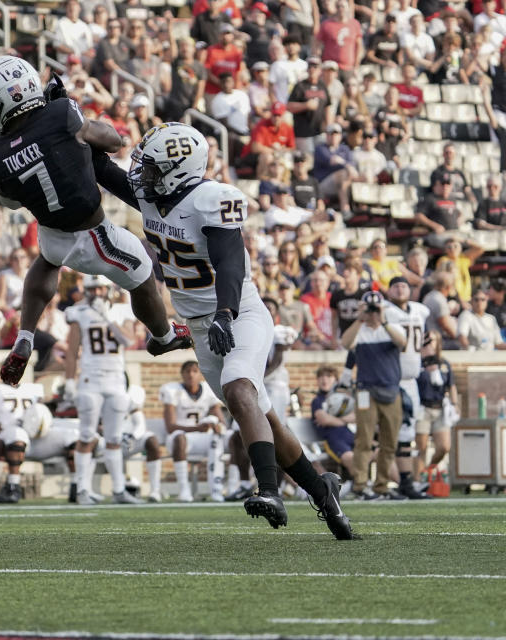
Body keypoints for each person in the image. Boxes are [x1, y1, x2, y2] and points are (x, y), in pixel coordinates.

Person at [94, 122, 354, 539]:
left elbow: (231, 261)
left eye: (154, 168)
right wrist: (60, 123)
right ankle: (323, 491)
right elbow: (100, 168)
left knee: (238, 388)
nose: (144, 176)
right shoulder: (150, 195)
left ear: (180, 170)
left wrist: (225, 313)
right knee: (261, 414)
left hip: (239, 314)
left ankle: (269, 491)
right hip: (201, 327)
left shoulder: (209, 200)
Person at [0, 57, 193, 387]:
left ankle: (25, 335)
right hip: (93, 235)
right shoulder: (59, 115)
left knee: (46, 263)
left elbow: (9, 201)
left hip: (51, 232)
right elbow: (115, 140)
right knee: (143, 275)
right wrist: (68, 112)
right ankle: (163, 335)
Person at [63, 274, 141, 504]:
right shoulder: (79, 313)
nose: (97, 293)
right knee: (86, 435)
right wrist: (69, 380)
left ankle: (118, 490)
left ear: (108, 290)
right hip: (91, 379)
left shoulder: (120, 311)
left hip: (116, 379)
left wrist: (108, 318)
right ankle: (83, 490)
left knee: (114, 437)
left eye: (100, 289)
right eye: (93, 289)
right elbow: (71, 350)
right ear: (86, 291)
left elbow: (128, 341)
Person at [340, 290, 407, 499]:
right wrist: (360, 318)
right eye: (370, 309)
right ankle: (360, 484)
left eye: (375, 309)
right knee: (364, 439)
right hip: (365, 389)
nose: (372, 313)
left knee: (389, 440)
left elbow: (402, 343)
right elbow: (345, 343)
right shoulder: (360, 331)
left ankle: (382, 485)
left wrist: (383, 320)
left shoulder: (392, 328)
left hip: (390, 389)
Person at [383, 276, 433, 499]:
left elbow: (426, 339)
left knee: (407, 431)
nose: (401, 289)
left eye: (404, 285)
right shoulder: (385, 310)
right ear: (389, 291)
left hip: (412, 379)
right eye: (396, 286)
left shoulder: (420, 311)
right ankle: (387, 482)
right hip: (391, 379)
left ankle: (406, 481)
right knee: (388, 432)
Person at [159, 360, 227, 503]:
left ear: (200, 374)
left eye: (195, 371)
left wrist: (216, 425)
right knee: (180, 438)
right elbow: (170, 427)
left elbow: (221, 422)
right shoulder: (173, 391)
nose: (191, 374)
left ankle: (220, 488)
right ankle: (184, 489)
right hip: (179, 438)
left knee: (223, 437)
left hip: (201, 438)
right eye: (187, 371)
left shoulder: (208, 391)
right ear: (182, 374)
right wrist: (196, 428)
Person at [415, 330, 456, 478]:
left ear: (438, 343)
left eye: (432, 340)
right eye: (427, 341)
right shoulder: (418, 362)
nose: (430, 343)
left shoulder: (443, 363)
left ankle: (427, 471)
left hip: (440, 408)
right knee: (422, 447)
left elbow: (451, 385)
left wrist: (454, 404)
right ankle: (418, 481)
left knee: (444, 447)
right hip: (423, 408)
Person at [311, 366, 356, 482]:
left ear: (336, 380)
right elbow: (324, 420)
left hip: (351, 435)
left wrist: (334, 419)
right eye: (321, 377)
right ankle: (361, 486)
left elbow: (356, 416)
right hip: (333, 440)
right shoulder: (317, 401)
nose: (324, 380)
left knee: (378, 452)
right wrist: (344, 419)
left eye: (328, 376)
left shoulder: (343, 399)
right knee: (350, 457)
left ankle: (402, 486)